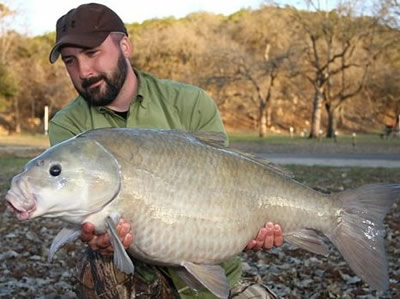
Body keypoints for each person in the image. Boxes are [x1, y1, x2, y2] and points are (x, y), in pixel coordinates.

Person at [48, 3, 283, 298]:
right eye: (70, 61)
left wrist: (250, 227)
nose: (83, 71)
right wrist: (97, 239)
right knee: (96, 268)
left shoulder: (191, 102)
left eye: (92, 53)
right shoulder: (69, 128)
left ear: (125, 46)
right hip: (141, 279)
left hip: (219, 269)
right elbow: (78, 212)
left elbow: (227, 188)